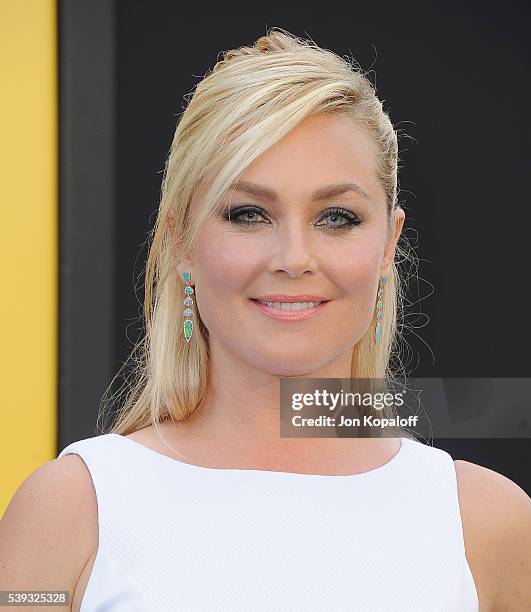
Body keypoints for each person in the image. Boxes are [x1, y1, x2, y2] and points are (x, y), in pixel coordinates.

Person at [1, 27, 530, 612]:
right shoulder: (72, 510)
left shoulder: (487, 525)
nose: (294, 259)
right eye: (248, 213)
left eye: (337, 217)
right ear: (181, 243)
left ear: (387, 246)